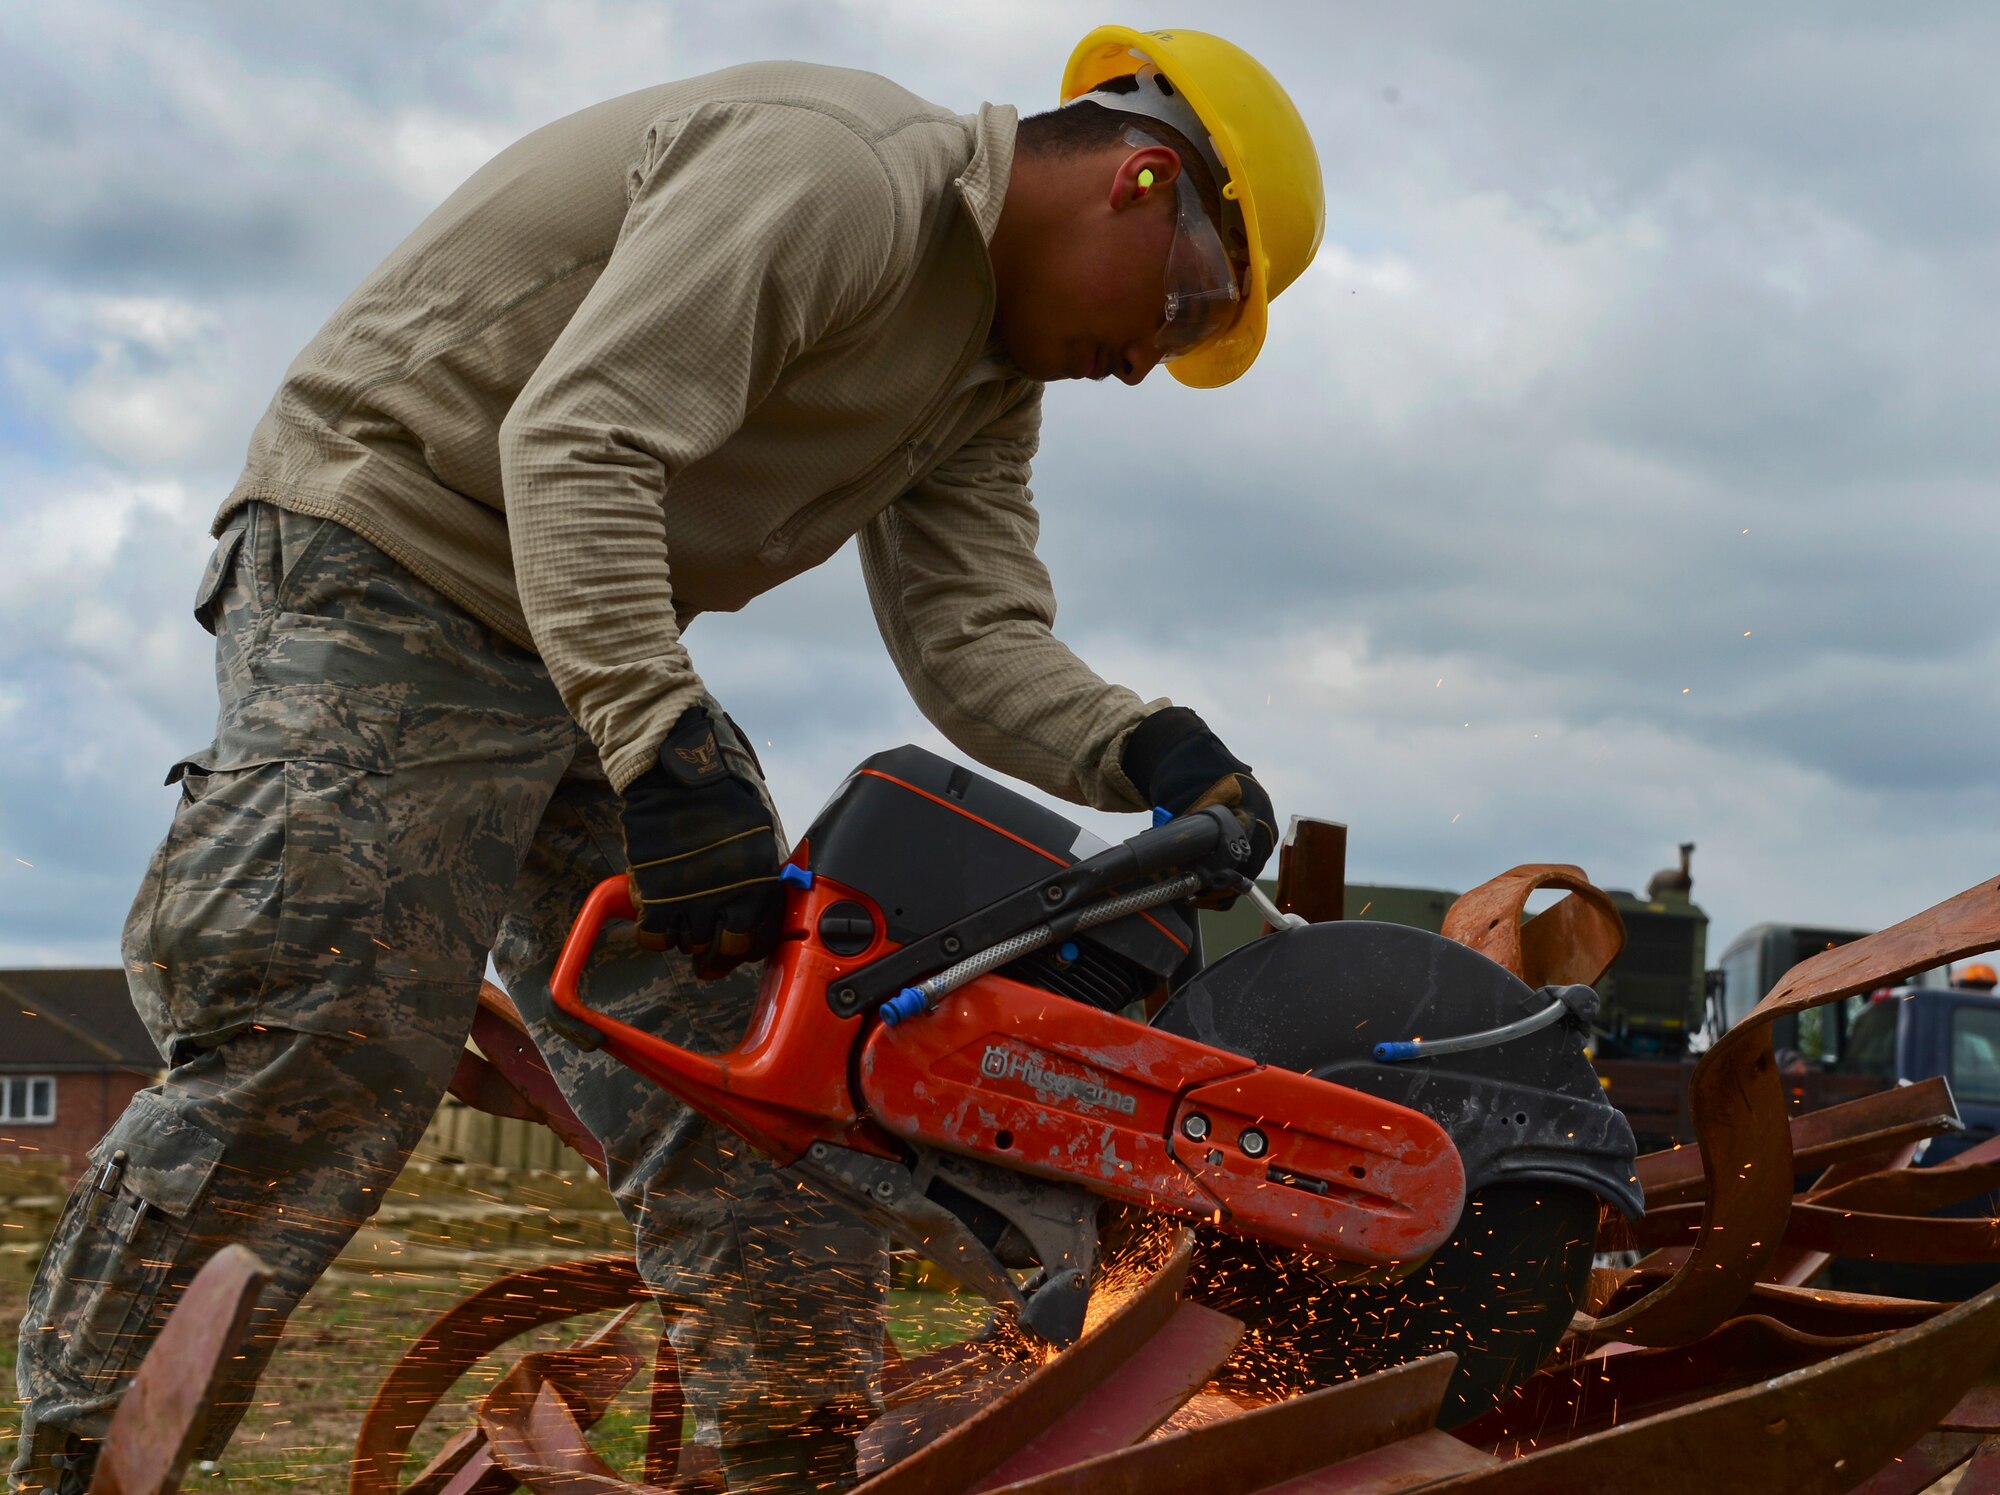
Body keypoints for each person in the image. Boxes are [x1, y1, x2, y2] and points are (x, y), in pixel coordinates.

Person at [12, 25, 1322, 1493]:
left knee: (769, 1071)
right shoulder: (841, 177)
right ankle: (71, 1477)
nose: (1151, 364)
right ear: (1143, 184)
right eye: (1190, 310)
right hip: (394, 557)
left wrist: (1153, 751)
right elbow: (577, 443)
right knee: (324, 1042)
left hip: (582, 631)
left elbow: (972, 634)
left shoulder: (983, 374)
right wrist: (660, 739)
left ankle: (792, 1465)